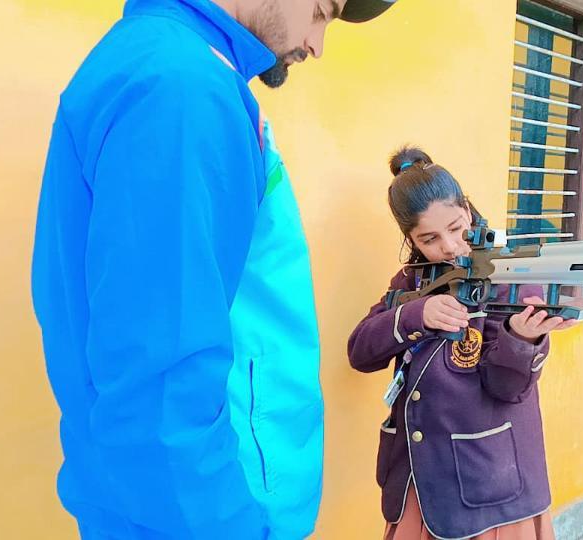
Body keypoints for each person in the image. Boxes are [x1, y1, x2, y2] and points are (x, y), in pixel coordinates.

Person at [31, 1, 398, 538]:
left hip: (168, 506)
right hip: (205, 515)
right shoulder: (183, 91)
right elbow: (161, 381)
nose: (317, 45)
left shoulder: (167, 66)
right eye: (322, 11)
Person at [348, 146, 575, 540]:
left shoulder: (510, 275)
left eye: (456, 228)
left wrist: (523, 338)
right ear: (411, 239)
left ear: (467, 211)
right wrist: (416, 315)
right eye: (430, 238)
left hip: (488, 487)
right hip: (419, 478)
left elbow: (507, 388)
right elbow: (359, 352)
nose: (450, 246)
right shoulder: (412, 280)